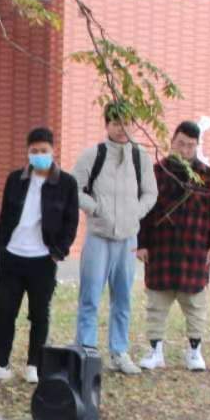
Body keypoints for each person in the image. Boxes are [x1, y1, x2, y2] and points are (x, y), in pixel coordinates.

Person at [0, 127, 80, 385]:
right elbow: (5, 216)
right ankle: (0, 363)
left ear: (53, 151)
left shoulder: (66, 183)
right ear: (27, 152)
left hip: (43, 259)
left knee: (39, 314)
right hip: (12, 255)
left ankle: (34, 365)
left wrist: (58, 252)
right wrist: (0, 248)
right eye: (34, 151)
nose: (39, 155)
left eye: (44, 151)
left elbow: (71, 222)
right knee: (4, 311)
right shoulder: (15, 179)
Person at [71, 101, 158, 376]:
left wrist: (136, 213)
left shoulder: (140, 157)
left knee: (122, 297)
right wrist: (95, 208)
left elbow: (150, 193)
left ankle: (119, 351)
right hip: (99, 236)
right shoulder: (93, 155)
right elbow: (73, 188)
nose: (122, 128)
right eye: (116, 122)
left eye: (127, 123)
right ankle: (86, 350)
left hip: (128, 239)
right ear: (107, 124)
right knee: (90, 296)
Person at [136, 120, 210, 372]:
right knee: (156, 303)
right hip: (160, 248)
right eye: (181, 144)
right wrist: (141, 244)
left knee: (195, 304)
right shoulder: (156, 172)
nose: (185, 150)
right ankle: (155, 351)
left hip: (194, 250)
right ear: (172, 141)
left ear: (197, 146)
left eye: (190, 145)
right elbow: (144, 212)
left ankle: (195, 351)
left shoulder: (206, 176)